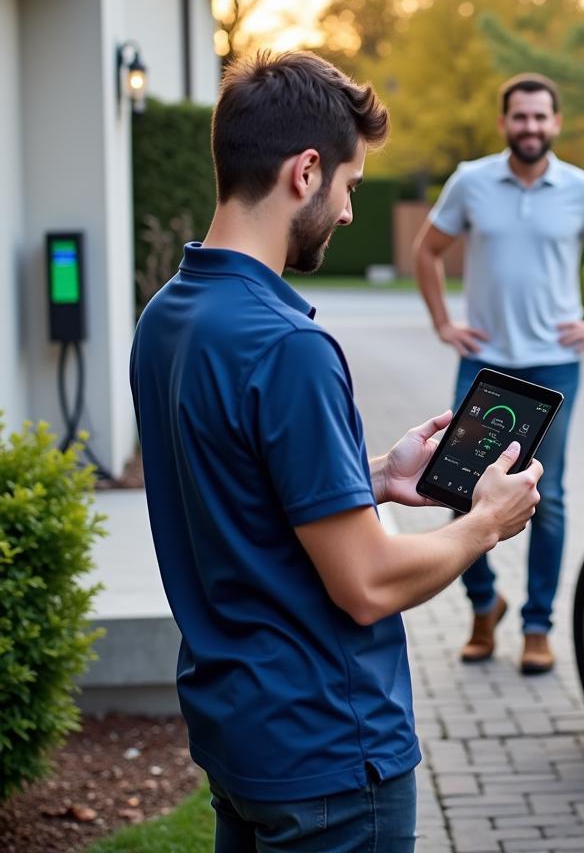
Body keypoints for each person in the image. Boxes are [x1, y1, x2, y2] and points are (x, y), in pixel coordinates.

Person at [129, 51, 543, 853]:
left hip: (239, 739)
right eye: (350, 185)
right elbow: (365, 586)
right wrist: (485, 522)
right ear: (305, 171)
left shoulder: (168, 316)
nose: (350, 210)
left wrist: (379, 478)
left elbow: (237, 496)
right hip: (329, 754)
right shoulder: (290, 346)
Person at [413, 73, 584, 675]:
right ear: (504, 123)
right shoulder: (471, 182)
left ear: (556, 123)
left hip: (554, 366)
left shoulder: (582, 189)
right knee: (455, 488)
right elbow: (427, 251)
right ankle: (484, 605)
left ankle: (537, 625)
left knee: (550, 499)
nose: (531, 128)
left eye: (541, 118)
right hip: (483, 365)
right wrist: (444, 322)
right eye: (520, 117)